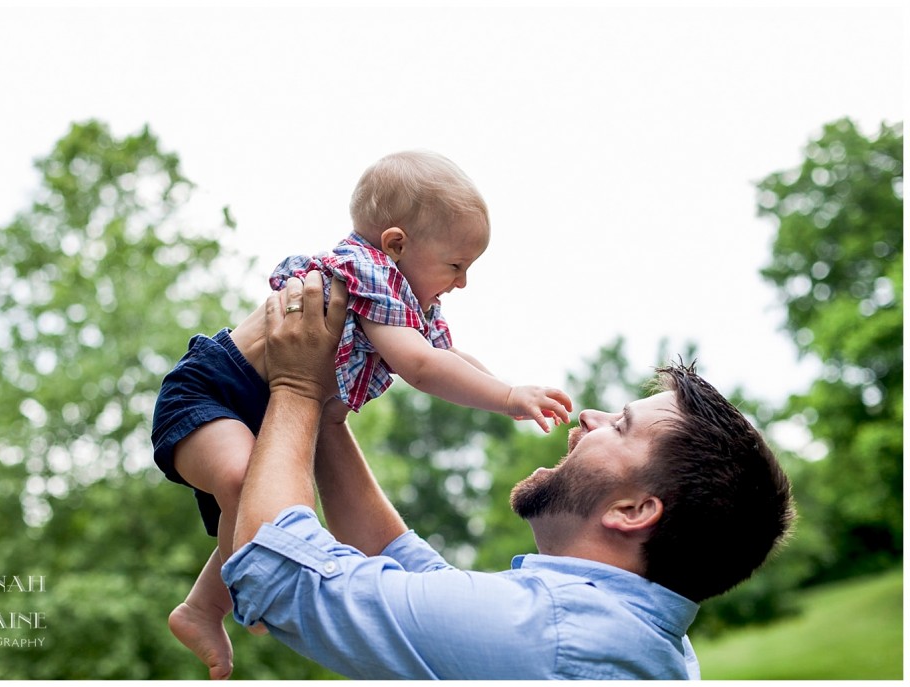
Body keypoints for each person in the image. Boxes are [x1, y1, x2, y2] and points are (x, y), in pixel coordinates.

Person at [222, 271, 796, 680]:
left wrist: (294, 387)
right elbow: (401, 569)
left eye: (618, 427)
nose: (586, 419)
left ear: (632, 511)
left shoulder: (550, 639)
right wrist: (324, 410)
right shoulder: (611, 633)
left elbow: (276, 574)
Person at [151, 151, 574, 678]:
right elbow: (420, 366)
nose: (462, 283)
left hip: (259, 407)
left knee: (253, 495)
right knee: (241, 481)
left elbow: (446, 355)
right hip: (212, 389)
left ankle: (200, 608)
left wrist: (504, 388)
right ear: (397, 244)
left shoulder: (406, 298)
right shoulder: (368, 274)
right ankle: (242, 590)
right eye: (456, 265)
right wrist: (508, 398)